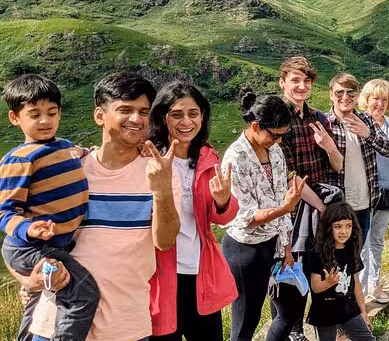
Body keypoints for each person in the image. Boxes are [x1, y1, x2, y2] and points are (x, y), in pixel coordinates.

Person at [14, 72, 181, 341]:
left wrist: (161, 190)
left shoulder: (160, 172)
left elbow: (164, 241)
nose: (136, 119)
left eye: (143, 111)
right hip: (54, 324)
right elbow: (15, 237)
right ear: (100, 115)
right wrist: (26, 280)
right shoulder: (68, 170)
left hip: (127, 326)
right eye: (125, 110)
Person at [0, 74, 99, 341]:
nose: (45, 121)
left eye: (51, 112)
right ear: (15, 118)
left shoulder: (66, 147)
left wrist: (92, 152)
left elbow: (80, 153)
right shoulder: (19, 159)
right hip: (30, 246)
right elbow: (5, 211)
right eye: (34, 114)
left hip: (54, 244)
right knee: (84, 294)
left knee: (35, 303)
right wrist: (29, 229)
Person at [147, 81, 240, 341]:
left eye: (193, 113)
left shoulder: (208, 158)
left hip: (200, 272)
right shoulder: (148, 159)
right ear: (162, 118)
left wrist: (223, 201)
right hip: (161, 275)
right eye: (177, 114)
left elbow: (220, 217)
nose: (186, 121)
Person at [221, 92, 306, 341]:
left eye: (282, 135)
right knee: (246, 320)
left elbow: (280, 196)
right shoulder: (235, 158)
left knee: (288, 309)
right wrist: (285, 208)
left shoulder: (276, 153)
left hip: (273, 242)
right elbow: (245, 216)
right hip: (245, 248)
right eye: (274, 135)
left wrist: (287, 246)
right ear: (256, 126)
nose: (278, 141)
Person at [274, 56, 344, 341]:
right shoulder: (278, 119)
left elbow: (338, 164)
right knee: (293, 266)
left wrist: (328, 145)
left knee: (319, 263)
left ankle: (322, 326)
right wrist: (323, 207)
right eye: (295, 80)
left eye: (306, 81)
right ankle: (292, 328)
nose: (301, 86)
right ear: (283, 83)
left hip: (320, 206)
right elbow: (288, 174)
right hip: (293, 207)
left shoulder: (319, 118)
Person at [325, 73, 389, 244]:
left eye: (351, 93)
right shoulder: (325, 123)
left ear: (357, 97)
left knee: (356, 257)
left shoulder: (367, 120)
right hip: (337, 204)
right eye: (339, 92)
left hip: (364, 203)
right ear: (331, 95)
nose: (345, 97)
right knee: (334, 257)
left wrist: (368, 134)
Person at [356, 79, 389, 302]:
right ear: (366, 100)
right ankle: (360, 291)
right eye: (375, 98)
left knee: (377, 240)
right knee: (362, 243)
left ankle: (374, 284)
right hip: (363, 192)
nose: (379, 103)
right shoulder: (359, 123)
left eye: (384, 99)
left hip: (387, 191)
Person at [306, 202, 375, 341]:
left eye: (348, 226)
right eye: (338, 227)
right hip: (325, 312)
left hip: (348, 308)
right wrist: (329, 282)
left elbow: (355, 282)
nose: (344, 231)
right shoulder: (318, 254)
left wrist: (363, 311)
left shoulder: (350, 249)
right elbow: (315, 286)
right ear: (328, 227)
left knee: (367, 339)